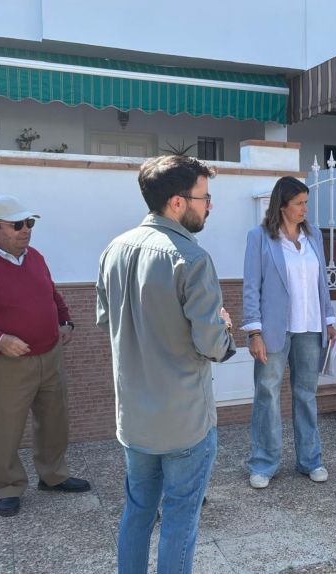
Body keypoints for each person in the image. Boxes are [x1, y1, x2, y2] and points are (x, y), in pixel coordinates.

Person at [96, 155, 236, 574]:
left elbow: (108, 321)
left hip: (134, 417)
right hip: (184, 420)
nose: (209, 206)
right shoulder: (192, 258)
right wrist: (225, 330)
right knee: (180, 519)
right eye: (204, 197)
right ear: (178, 202)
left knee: (137, 512)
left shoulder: (113, 249)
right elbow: (212, 343)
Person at [0, 195, 91, 518]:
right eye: (17, 225)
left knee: (55, 421)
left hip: (50, 356)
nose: (26, 230)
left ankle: (53, 475)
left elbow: (50, 292)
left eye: (30, 223)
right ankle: (6, 486)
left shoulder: (35, 257)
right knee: (6, 429)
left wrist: (65, 320)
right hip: (7, 365)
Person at [242, 176, 336, 489]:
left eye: (306, 203)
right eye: (299, 204)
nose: (304, 209)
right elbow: (251, 286)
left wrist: (329, 319)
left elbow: (322, 282)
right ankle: (264, 463)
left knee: (306, 395)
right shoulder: (259, 238)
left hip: (310, 327)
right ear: (281, 206)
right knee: (267, 395)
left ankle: (310, 459)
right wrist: (254, 332)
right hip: (273, 330)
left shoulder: (315, 237)